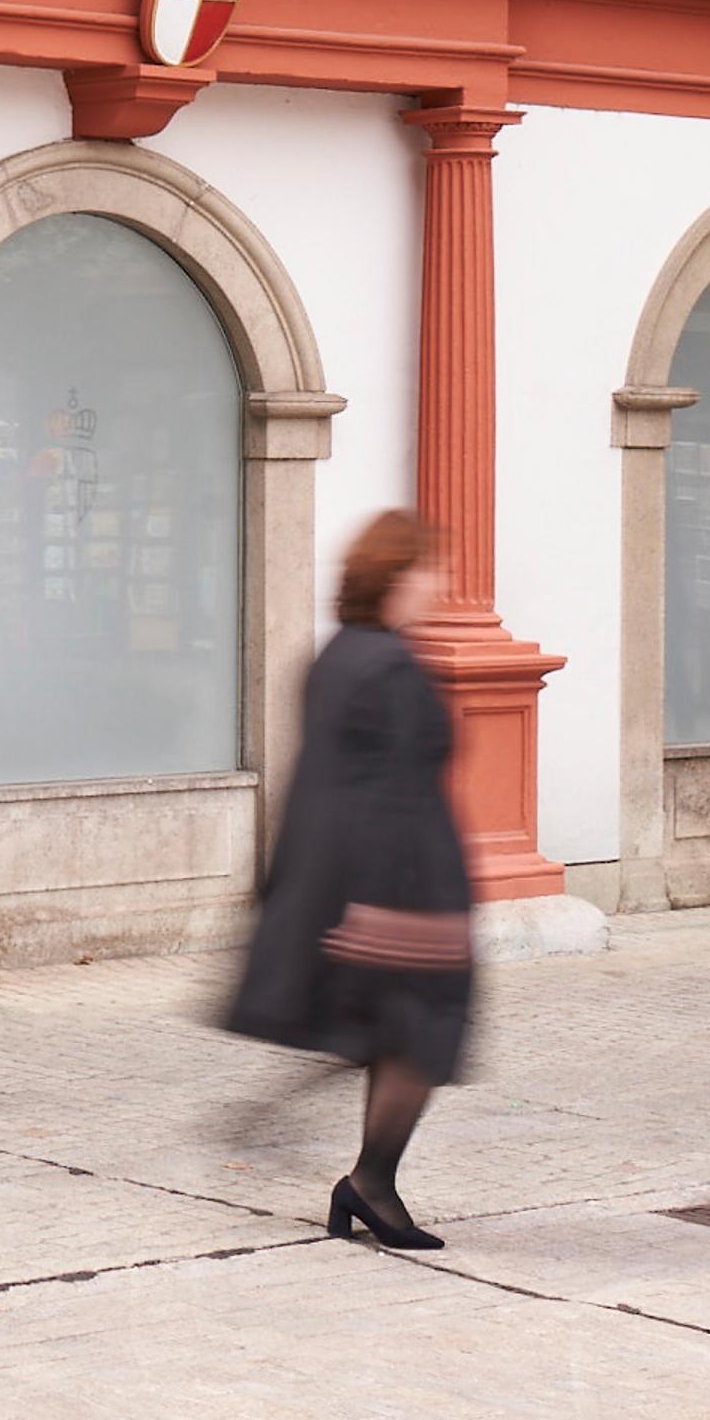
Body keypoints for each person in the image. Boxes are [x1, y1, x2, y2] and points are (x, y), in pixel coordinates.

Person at [226, 510, 474, 1252]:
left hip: (362, 884)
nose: (441, 583)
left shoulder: (339, 655)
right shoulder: (389, 666)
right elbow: (384, 795)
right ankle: (370, 1184)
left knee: (396, 1035)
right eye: (431, 570)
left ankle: (369, 1183)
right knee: (422, 1040)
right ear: (398, 576)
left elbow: (325, 783)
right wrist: (389, 903)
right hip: (405, 890)